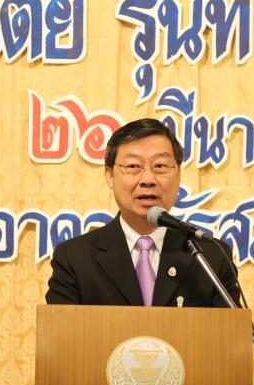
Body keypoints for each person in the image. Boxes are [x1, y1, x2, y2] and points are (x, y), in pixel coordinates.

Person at [45, 118, 240, 307]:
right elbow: (61, 329)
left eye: (160, 166)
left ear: (178, 175)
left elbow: (230, 329)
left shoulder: (211, 258)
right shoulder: (74, 259)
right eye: (133, 166)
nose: (148, 179)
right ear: (109, 175)